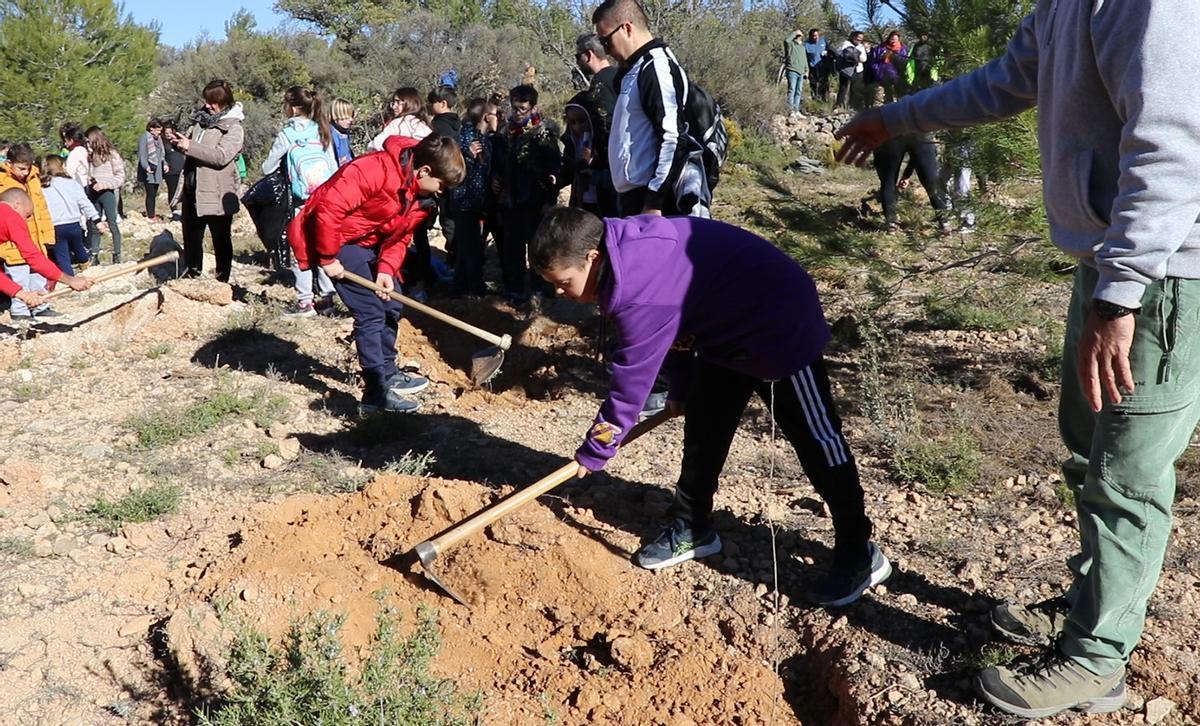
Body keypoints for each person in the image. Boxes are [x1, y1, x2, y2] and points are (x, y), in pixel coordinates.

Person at [837, 1, 1200, 718]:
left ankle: (1097, 660)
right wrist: (900, 117)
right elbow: (1005, 81)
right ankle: (1089, 601)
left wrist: (1121, 297)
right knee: (1088, 449)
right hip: (1108, 266)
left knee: (1126, 477)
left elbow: (1171, 146)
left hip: (1162, 276)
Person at [531, 207, 891, 604]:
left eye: (563, 283)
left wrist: (597, 448)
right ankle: (693, 527)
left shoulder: (638, 285)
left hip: (777, 322)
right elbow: (680, 319)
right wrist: (683, 387)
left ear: (592, 258)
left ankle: (859, 551)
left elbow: (631, 382)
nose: (559, 294)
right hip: (724, 329)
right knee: (704, 429)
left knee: (818, 443)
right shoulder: (619, 254)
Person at [288, 134, 465, 415]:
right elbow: (328, 210)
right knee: (370, 311)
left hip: (366, 243)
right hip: (336, 240)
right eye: (440, 185)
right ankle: (375, 393)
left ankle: (388, 370)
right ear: (425, 171)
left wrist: (385, 270)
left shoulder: (420, 198)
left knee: (392, 302)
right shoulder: (373, 170)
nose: (441, 192)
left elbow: (398, 238)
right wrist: (327, 257)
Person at [594, 0, 692, 217]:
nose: (606, 51)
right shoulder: (635, 69)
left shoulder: (656, 67)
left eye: (606, 41)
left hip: (649, 202)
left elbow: (673, 138)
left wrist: (653, 202)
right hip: (631, 197)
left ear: (627, 28)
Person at [262, 85, 338, 318]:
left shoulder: (288, 134)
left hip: (301, 202)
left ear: (293, 107)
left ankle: (305, 302)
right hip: (325, 201)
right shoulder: (322, 130)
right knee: (324, 247)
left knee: (301, 249)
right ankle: (327, 299)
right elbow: (334, 167)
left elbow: (267, 167)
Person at [165, 79, 245, 283]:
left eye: (212, 102)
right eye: (207, 101)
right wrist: (179, 143)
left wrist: (190, 146)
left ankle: (222, 281)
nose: (207, 105)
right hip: (193, 190)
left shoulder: (234, 128)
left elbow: (221, 156)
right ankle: (192, 276)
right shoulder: (200, 122)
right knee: (191, 238)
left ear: (224, 102)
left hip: (217, 193)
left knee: (221, 239)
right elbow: (192, 146)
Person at [490, 84, 561, 303]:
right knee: (512, 247)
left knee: (537, 246)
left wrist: (549, 198)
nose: (518, 112)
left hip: (534, 199)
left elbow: (554, 168)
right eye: (515, 108)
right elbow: (497, 162)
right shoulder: (504, 132)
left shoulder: (543, 133)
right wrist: (494, 178)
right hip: (510, 200)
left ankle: (541, 287)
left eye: (522, 108)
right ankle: (514, 288)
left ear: (533, 107)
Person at [0, 189, 93, 322]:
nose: (25, 221)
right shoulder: (10, 216)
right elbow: (33, 257)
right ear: (17, 205)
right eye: (26, 215)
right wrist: (71, 280)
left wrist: (22, 294)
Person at [0, 146, 60, 319]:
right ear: (9, 163)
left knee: (38, 274)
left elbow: (41, 208)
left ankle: (41, 306)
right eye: (21, 168)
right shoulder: (3, 181)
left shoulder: (34, 178)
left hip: (35, 236)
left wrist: (48, 234)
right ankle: (20, 311)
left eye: (28, 167)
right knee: (19, 276)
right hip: (11, 241)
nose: (25, 172)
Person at [450, 97, 492, 297]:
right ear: (486, 116)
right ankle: (473, 287)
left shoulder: (475, 135)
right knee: (472, 247)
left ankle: (460, 284)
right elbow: (478, 163)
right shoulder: (471, 138)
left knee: (468, 246)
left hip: (473, 200)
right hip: (467, 200)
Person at [41, 155, 98, 275]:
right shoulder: (71, 183)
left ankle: (70, 280)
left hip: (55, 226)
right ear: (61, 166)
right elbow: (84, 202)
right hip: (73, 224)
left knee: (62, 257)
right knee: (79, 248)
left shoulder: (42, 186)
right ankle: (86, 267)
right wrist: (96, 219)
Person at [84, 126, 126, 264]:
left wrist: (105, 184)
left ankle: (117, 254)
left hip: (107, 192)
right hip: (93, 193)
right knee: (95, 224)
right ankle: (94, 254)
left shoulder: (112, 154)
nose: (87, 144)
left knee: (112, 222)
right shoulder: (89, 157)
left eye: (89, 141)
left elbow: (120, 176)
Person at [368, 87, 431, 152]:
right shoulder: (422, 124)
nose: (394, 107)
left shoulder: (397, 123)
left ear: (409, 103)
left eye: (398, 102)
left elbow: (375, 144)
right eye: (393, 103)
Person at [866, 31, 908, 104]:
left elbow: (904, 60)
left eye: (895, 39)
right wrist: (883, 57)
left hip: (897, 72)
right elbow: (875, 58)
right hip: (884, 71)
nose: (893, 41)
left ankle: (901, 103)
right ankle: (889, 104)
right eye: (892, 39)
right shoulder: (882, 47)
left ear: (898, 39)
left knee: (899, 89)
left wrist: (894, 56)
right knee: (887, 89)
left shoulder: (902, 48)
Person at [137, 118, 166, 221]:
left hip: (157, 168)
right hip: (149, 168)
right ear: (151, 128)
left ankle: (152, 212)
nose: (159, 132)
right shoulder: (145, 137)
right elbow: (142, 154)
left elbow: (162, 153)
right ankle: (150, 215)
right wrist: (146, 166)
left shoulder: (158, 139)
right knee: (150, 193)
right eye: (157, 129)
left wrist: (165, 164)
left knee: (154, 192)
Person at [835, 31, 868, 110]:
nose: (859, 40)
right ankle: (839, 105)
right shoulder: (845, 44)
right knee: (843, 87)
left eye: (861, 39)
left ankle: (853, 106)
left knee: (855, 88)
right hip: (845, 69)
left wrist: (855, 57)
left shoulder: (861, 47)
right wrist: (853, 56)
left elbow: (864, 58)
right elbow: (840, 53)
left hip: (858, 70)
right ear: (853, 37)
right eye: (858, 38)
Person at [161, 120, 185, 221]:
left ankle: (183, 211)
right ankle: (174, 210)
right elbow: (161, 156)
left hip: (181, 169)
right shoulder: (162, 143)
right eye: (166, 133)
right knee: (172, 190)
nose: (168, 135)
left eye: (170, 133)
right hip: (170, 171)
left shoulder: (178, 141)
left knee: (183, 191)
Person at [781, 29, 808, 113]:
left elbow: (804, 59)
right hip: (792, 70)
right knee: (791, 90)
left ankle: (796, 110)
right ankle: (790, 110)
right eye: (798, 35)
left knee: (798, 91)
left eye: (800, 35)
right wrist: (794, 33)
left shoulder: (803, 47)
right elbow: (786, 40)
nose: (799, 36)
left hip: (801, 72)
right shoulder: (790, 45)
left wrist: (807, 70)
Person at [59, 123, 90, 188]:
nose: (65, 142)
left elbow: (69, 171)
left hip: (81, 184)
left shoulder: (75, 152)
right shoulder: (83, 148)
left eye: (66, 138)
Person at [804, 29, 831, 102]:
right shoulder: (806, 45)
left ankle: (825, 100)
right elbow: (805, 57)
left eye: (817, 35)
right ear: (810, 36)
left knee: (824, 84)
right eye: (814, 36)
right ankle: (815, 100)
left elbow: (831, 50)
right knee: (813, 84)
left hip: (823, 67)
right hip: (812, 68)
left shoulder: (823, 41)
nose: (816, 37)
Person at [330, 98, 356, 168]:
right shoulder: (330, 134)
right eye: (347, 117)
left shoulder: (345, 132)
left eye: (352, 116)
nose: (351, 120)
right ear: (337, 116)